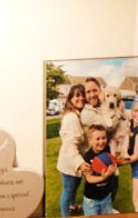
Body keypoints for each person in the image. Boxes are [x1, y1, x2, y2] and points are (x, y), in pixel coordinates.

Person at [54, 83, 89, 216]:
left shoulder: (79, 115)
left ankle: (73, 207)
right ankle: (65, 214)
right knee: (68, 191)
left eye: (83, 95)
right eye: (77, 96)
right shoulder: (72, 118)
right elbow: (70, 144)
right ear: (70, 99)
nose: (81, 98)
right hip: (70, 163)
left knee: (73, 188)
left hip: (76, 162)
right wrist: (80, 163)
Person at [79, 125, 119, 216]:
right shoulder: (88, 157)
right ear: (90, 140)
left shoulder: (107, 149)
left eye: (104, 138)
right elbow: (89, 179)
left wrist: (115, 163)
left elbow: (112, 162)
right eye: (97, 139)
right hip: (92, 199)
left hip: (106, 196)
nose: (101, 141)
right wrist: (103, 177)